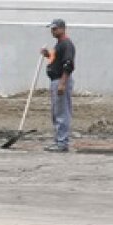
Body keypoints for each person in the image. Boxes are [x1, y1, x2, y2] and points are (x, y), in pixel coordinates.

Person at [41, 18, 76, 152]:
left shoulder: (66, 44)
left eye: (55, 29)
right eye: (52, 29)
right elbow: (56, 60)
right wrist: (47, 55)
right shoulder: (59, 45)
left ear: (62, 28)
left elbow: (68, 64)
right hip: (55, 80)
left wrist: (62, 83)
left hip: (61, 80)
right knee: (56, 112)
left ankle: (62, 143)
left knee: (62, 112)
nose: (52, 31)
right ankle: (58, 140)